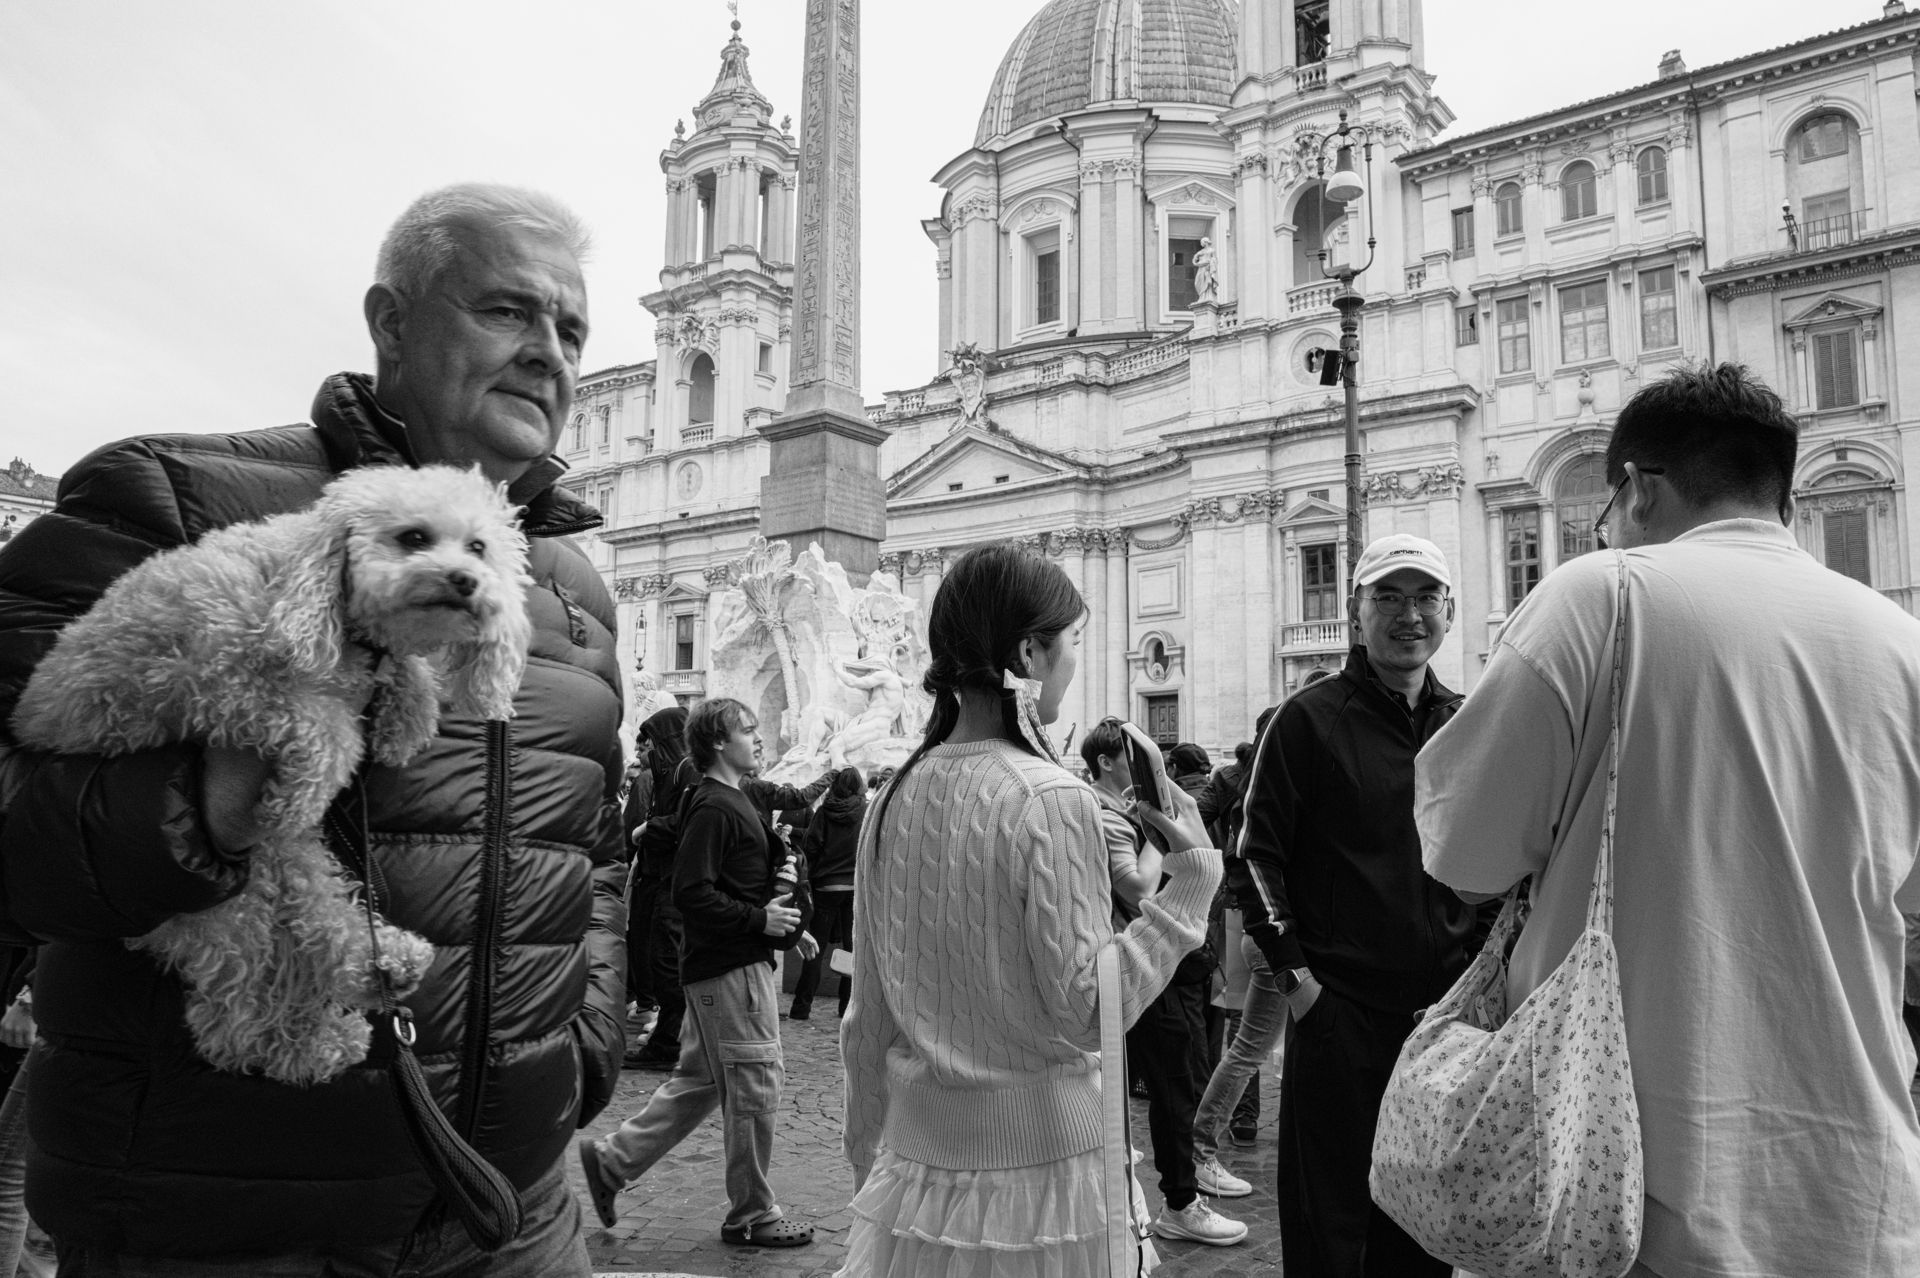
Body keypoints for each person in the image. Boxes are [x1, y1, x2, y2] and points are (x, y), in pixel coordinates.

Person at [0, 184, 626, 1273]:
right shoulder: (168, 498)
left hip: (517, 1213)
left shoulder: (572, 590)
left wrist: (580, 1054)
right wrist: (218, 799)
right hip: (230, 1223)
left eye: (569, 329)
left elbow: (596, 851)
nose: (547, 353)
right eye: (506, 313)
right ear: (392, 322)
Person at [1416, 364, 1920, 1276]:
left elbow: (1462, 853)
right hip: (1850, 1188)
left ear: (1637, 487)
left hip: (1620, 1185)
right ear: (1785, 495)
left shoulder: (1600, 595)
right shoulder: (1900, 645)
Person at [838, 545, 1225, 1274]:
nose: (1076, 661)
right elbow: (1084, 1011)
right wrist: (1190, 887)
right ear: (1029, 652)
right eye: (1071, 642)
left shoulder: (889, 797)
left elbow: (867, 1018)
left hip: (917, 1172)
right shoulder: (1049, 797)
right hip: (1045, 1175)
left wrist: (869, 1158)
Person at [1240, 532, 1483, 1278]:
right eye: (1388, 597)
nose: (1408, 615)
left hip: (1441, 1021)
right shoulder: (1306, 719)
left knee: (1425, 1220)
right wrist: (1300, 986)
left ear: (1449, 610)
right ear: (1357, 611)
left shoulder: (1470, 720)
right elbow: (1254, 857)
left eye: (1425, 598)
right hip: (1338, 1013)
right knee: (1329, 1223)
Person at [580, 698, 816, 1248]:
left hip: (725, 965)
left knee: (702, 1082)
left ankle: (611, 1162)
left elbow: (728, 884)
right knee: (755, 1083)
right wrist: (761, 920)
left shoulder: (728, 799)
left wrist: (783, 926)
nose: (758, 739)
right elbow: (692, 891)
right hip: (729, 971)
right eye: (748, 730)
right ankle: (752, 1215)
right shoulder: (714, 805)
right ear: (717, 742)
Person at [1083, 720, 1250, 1243]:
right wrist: (1157, 833)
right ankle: (1180, 1201)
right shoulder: (1107, 817)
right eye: (1131, 762)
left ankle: (1177, 1189)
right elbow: (1136, 888)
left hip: (1167, 957)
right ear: (1109, 763)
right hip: (1141, 958)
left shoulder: (1117, 813)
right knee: (1173, 1081)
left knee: (1177, 1075)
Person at [625, 706, 690, 1068]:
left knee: (668, 963)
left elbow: (690, 817)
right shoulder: (666, 773)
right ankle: (667, 1040)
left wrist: (649, 829)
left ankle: (670, 1044)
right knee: (659, 960)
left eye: (648, 742)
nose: (644, 750)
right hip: (660, 876)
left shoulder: (686, 770)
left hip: (673, 880)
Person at [789, 766, 864, 1021]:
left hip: (826, 887)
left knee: (815, 948)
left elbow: (811, 847)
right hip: (853, 888)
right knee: (851, 948)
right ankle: (847, 1008)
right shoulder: (865, 812)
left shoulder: (824, 811)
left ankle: (801, 1007)